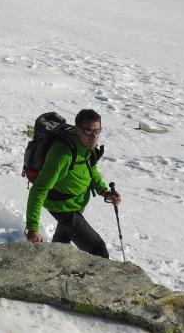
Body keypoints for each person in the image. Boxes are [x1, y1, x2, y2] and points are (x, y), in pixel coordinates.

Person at [25, 108, 121, 258]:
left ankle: (53, 271)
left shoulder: (86, 146)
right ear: (77, 129)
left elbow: (91, 170)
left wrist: (105, 192)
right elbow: (39, 190)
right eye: (89, 131)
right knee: (98, 251)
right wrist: (32, 228)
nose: (94, 136)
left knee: (60, 244)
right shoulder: (63, 154)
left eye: (98, 131)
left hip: (77, 202)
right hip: (63, 207)